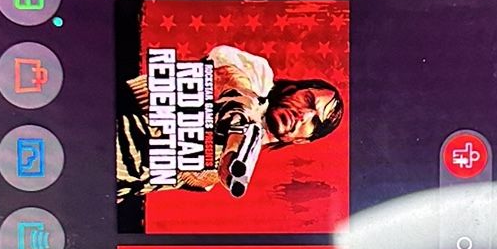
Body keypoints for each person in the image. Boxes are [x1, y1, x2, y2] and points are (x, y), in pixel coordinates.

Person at [117, 42, 345, 203]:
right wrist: (238, 129)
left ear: (303, 140)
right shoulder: (256, 76)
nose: (303, 115)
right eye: (308, 100)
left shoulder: (229, 170)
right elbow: (232, 82)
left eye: (315, 120)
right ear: (293, 89)